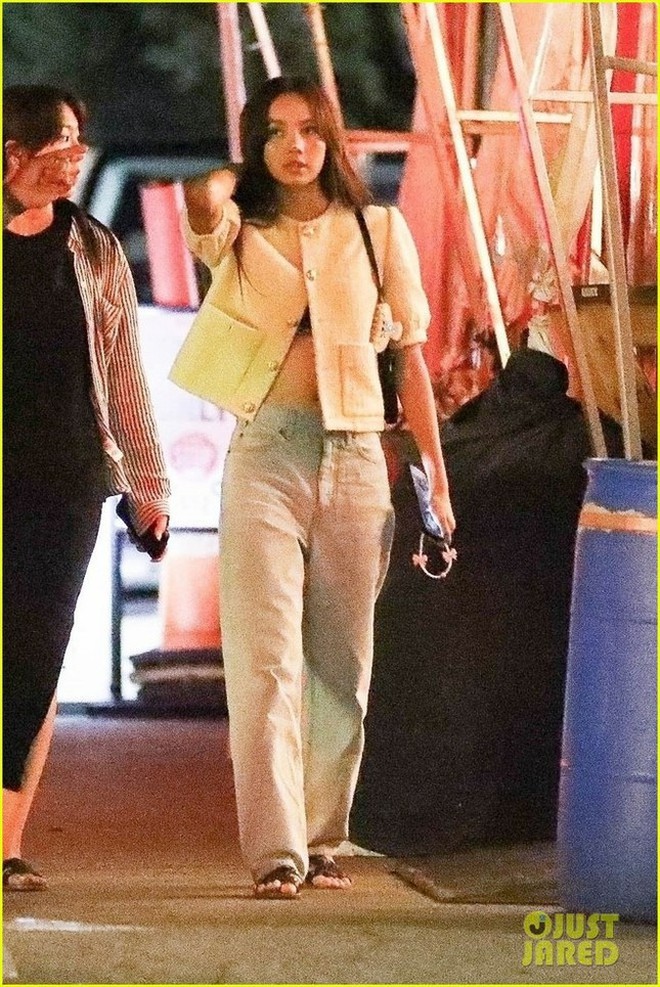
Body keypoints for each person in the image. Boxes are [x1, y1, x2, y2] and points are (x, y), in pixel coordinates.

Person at [170, 76, 455, 898]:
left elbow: (411, 361)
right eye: (275, 131)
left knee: (341, 664)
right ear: (255, 144)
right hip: (266, 453)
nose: (296, 146)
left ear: (333, 139)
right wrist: (238, 173)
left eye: (309, 130)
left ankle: (324, 836)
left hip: (359, 456)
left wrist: (436, 480)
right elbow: (200, 201)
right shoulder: (240, 228)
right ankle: (276, 851)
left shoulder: (378, 228)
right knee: (264, 659)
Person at [3, 85, 170, 890]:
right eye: (53, 145)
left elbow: (125, 372)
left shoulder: (93, 247)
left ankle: (6, 843)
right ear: (10, 156)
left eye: (76, 142)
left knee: (36, 656)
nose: (70, 159)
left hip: (68, 478)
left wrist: (148, 481)